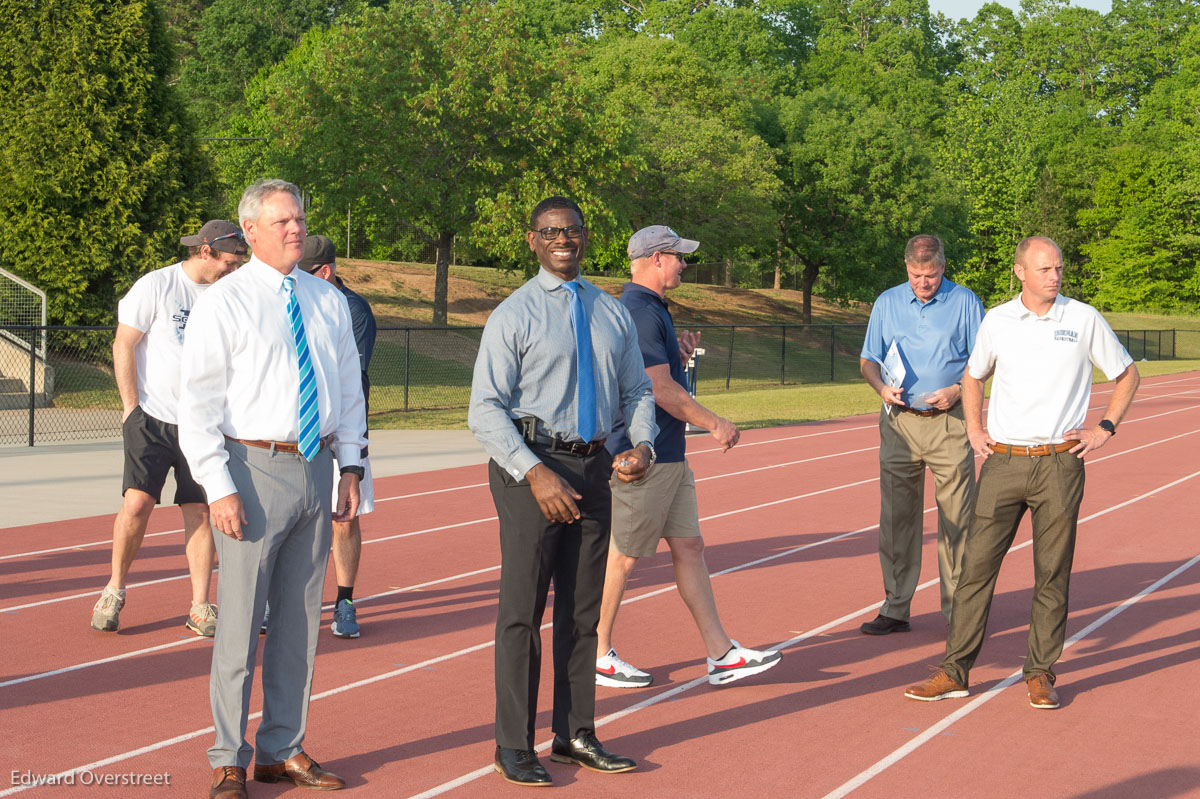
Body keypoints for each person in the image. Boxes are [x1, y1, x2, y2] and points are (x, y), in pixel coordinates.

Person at [179, 179, 366, 799]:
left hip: (315, 466)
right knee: (238, 625)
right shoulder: (223, 302)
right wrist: (218, 486)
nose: (296, 229)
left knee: (298, 625)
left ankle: (281, 747)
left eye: (300, 218)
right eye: (283, 220)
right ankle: (227, 755)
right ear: (251, 230)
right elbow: (197, 406)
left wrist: (352, 468)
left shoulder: (326, 300)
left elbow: (347, 393)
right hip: (251, 471)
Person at [468, 196, 657, 787]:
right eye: (551, 232)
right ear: (533, 240)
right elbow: (484, 410)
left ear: (585, 236)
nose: (563, 240)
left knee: (582, 612)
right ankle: (513, 745)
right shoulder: (513, 314)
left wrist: (642, 446)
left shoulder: (610, 311)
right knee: (523, 614)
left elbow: (638, 392)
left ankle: (575, 733)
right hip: (532, 469)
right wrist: (534, 471)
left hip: (595, 465)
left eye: (572, 231)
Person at [905, 236, 1139, 710]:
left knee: (1052, 573)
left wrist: (1104, 429)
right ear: (1020, 273)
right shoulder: (998, 320)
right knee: (975, 570)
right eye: (1045, 269)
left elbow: (1127, 374)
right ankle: (955, 671)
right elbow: (973, 376)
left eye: (1058, 268)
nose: (1055, 276)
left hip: (1060, 462)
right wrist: (973, 427)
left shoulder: (1083, 318)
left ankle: (1039, 673)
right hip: (1004, 461)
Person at [595, 225, 782, 690]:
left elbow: (655, 373)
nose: (684, 265)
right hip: (643, 455)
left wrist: (677, 358)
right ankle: (595, 653)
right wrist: (715, 422)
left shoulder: (652, 309)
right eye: (680, 257)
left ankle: (721, 654)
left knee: (690, 547)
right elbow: (657, 390)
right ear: (657, 258)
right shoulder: (639, 310)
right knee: (622, 556)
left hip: (669, 454)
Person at [90, 220, 245, 636]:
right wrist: (130, 408)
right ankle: (115, 589)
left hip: (205, 423)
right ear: (206, 252)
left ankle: (199, 605)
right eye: (229, 263)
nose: (234, 271)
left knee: (199, 510)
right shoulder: (156, 286)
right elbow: (124, 343)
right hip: (153, 418)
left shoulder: (230, 296)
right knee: (138, 503)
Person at [857, 235, 985, 635]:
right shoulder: (888, 302)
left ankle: (958, 611)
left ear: (943, 268)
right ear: (906, 268)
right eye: (916, 275)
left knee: (957, 520)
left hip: (950, 423)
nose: (923, 283)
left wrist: (959, 391)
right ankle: (896, 606)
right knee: (896, 519)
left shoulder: (965, 302)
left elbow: (984, 362)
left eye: (930, 275)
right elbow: (867, 360)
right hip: (899, 422)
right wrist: (881, 389)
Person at [297, 234, 377, 639]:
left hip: (341, 431)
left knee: (344, 518)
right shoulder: (291, 298)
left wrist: (346, 444)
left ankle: (344, 600)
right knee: (292, 519)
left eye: (304, 271)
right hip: (296, 430)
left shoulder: (353, 310)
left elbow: (347, 380)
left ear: (324, 272)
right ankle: (281, 601)